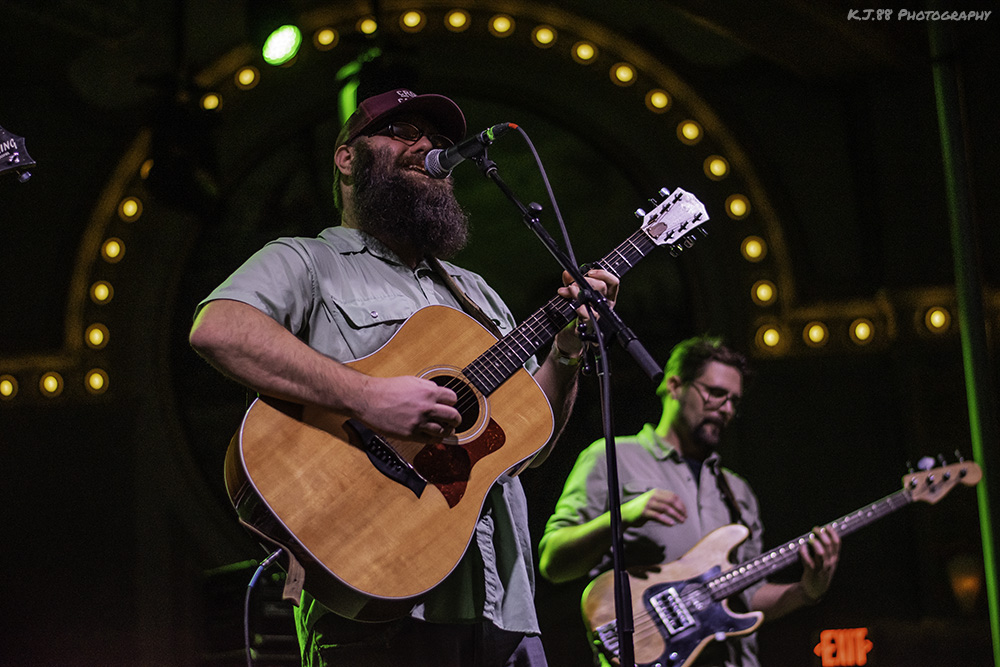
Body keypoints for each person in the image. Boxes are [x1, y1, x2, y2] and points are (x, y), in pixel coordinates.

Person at [188, 87, 619, 667]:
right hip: (379, 599)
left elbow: (521, 444)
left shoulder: (478, 293)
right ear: (347, 157)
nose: (426, 147)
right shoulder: (306, 261)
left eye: (438, 141)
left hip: (507, 612)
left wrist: (565, 353)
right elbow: (220, 330)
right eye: (402, 132)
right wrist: (370, 399)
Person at [538, 336, 840, 666]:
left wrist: (805, 591)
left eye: (734, 402)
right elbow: (553, 562)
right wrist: (624, 515)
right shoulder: (612, 457)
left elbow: (747, 597)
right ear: (674, 385)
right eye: (715, 393)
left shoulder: (738, 492)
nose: (726, 409)